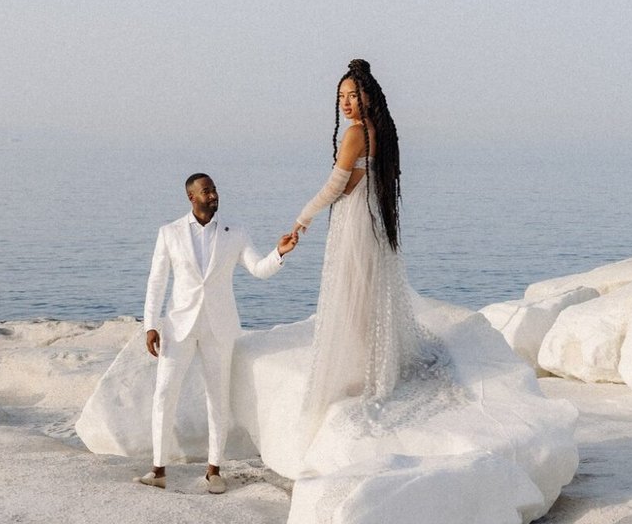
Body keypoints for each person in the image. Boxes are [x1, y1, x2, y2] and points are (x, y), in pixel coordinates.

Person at [289, 58, 450, 464]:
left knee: (354, 295)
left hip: (356, 221)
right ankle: (376, 362)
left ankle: (368, 371)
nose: (345, 103)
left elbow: (335, 185)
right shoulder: (382, 132)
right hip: (374, 218)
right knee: (368, 294)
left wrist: (302, 219)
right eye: (340, 97)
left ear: (368, 96)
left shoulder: (356, 134)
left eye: (352, 95)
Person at [136, 172, 298, 494]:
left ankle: (214, 470)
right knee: (164, 395)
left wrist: (279, 253)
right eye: (206, 191)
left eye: (214, 190)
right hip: (178, 326)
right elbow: (156, 282)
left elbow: (257, 269)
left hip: (219, 327)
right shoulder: (169, 233)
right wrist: (150, 324)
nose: (213, 195)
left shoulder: (234, 232)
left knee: (217, 398)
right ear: (191, 197)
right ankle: (158, 469)